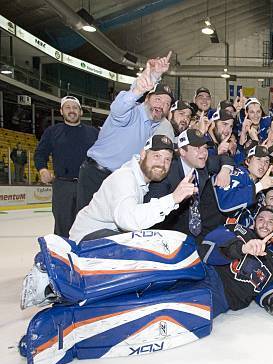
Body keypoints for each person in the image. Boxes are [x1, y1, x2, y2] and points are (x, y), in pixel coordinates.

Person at [76, 52, 175, 211]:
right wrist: (140, 87)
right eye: (158, 99)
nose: (161, 105)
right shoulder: (131, 113)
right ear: (147, 99)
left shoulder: (155, 125)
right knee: (88, 229)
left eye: (167, 103)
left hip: (120, 180)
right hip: (96, 176)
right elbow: (119, 106)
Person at [69, 134, 196, 243]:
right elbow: (127, 220)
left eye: (167, 159)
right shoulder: (125, 177)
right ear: (143, 154)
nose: (162, 164)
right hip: (87, 239)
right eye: (156, 156)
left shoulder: (141, 180)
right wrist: (173, 199)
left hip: (104, 235)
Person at [145, 128, 233, 241]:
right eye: (197, 148)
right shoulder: (166, 172)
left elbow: (224, 159)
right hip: (168, 235)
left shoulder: (202, 164)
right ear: (182, 151)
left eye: (205, 148)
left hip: (196, 231)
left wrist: (225, 171)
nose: (203, 152)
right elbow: (152, 213)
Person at [34, 96, 99, 237]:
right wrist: (42, 169)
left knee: (88, 225)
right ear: (61, 111)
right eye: (68, 107)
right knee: (63, 226)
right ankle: (62, 256)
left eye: (75, 108)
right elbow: (40, 153)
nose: (72, 111)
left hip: (88, 186)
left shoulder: (93, 133)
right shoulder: (52, 132)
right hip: (63, 185)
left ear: (81, 112)